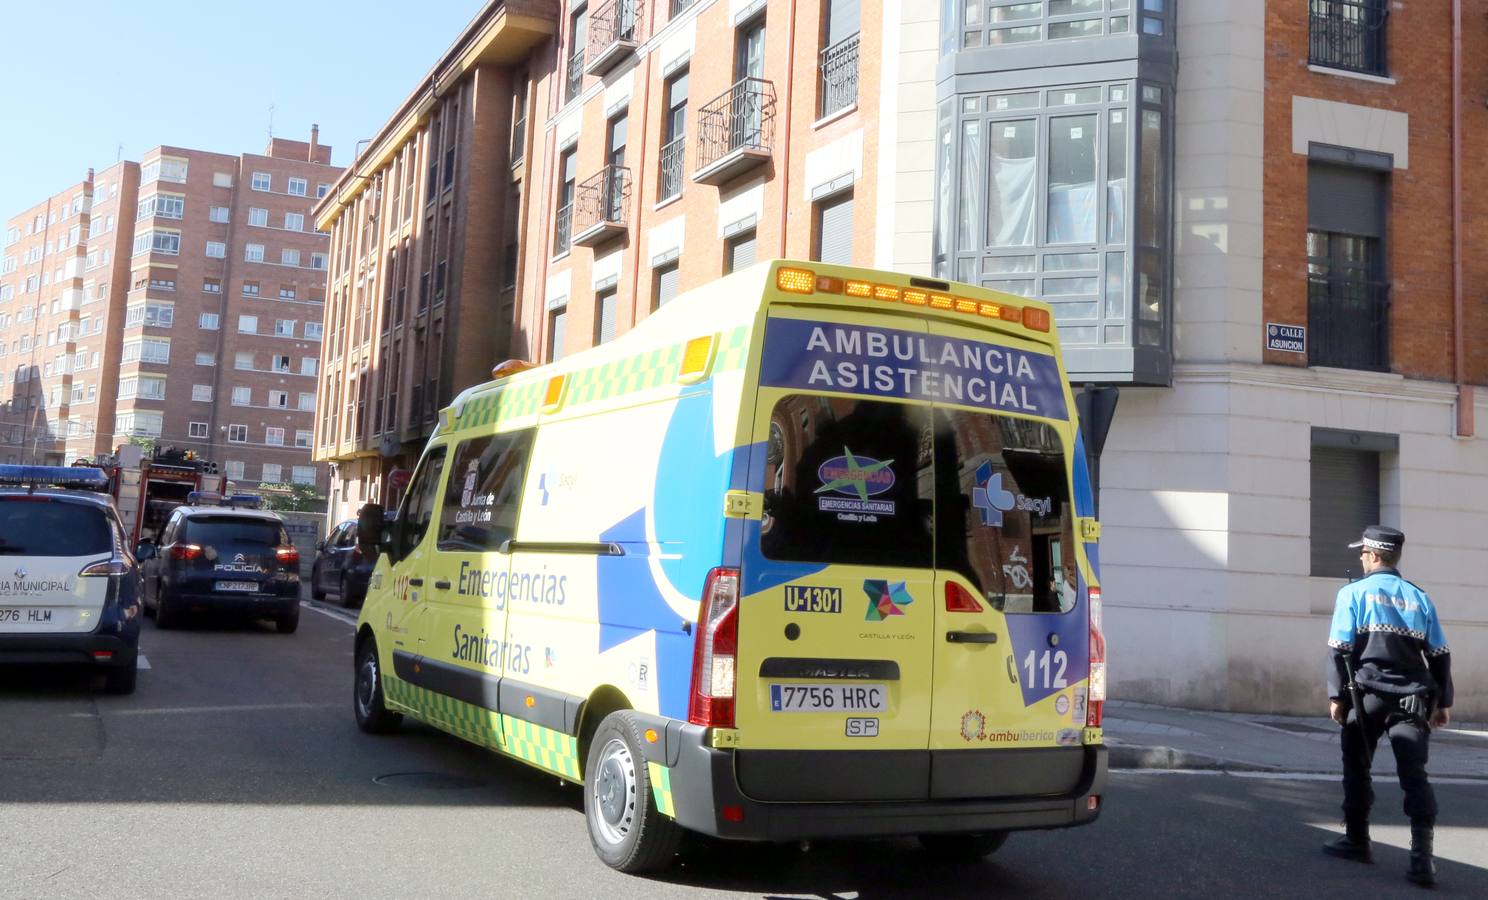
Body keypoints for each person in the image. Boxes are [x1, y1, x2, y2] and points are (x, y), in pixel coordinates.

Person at [1322, 526, 1453, 887]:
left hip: (1367, 697)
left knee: (1357, 766)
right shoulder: (1420, 598)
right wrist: (1443, 702)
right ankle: (1422, 861)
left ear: (1375, 555)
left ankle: (1357, 841)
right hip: (1413, 699)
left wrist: (1336, 697)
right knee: (1414, 776)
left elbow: (1339, 649)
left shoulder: (1352, 594)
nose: (1361, 558)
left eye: (1363, 552)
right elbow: (1440, 654)